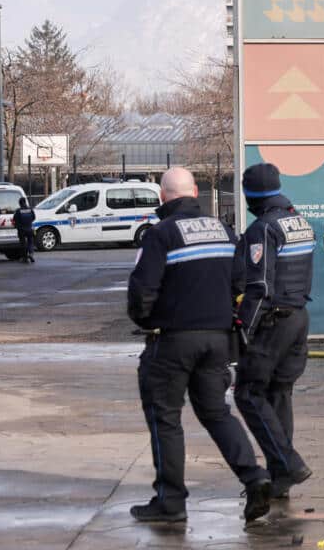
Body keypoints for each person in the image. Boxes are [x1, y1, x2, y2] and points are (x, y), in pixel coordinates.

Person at [127, 167, 271, 523]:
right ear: (195, 192)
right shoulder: (223, 230)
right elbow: (242, 281)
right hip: (218, 340)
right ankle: (255, 477)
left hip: (173, 341)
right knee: (216, 413)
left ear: (163, 197)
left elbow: (142, 292)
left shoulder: (161, 234)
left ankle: (170, 501)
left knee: (166, 418)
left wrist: (148, 322)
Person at [233, 163, 314, 499]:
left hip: (273, 321)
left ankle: (288, 463)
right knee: (280, 393)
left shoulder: (262, 229)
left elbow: (259, 285)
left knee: (248, 393)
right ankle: (281, 477)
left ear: (250, 194)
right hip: (298, 317)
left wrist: (243, 330)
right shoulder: (300, 222)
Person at [13, 197, 36, 263]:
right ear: (25, 202)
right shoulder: (30, 209)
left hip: (21, 229)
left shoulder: (18, 210)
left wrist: (17, 225)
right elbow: (34, 217)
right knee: (30, 242)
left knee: (23, 243)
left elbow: (15, 219)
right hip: (29, 228)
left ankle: (25, 257)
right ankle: (31, 254)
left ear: (20, 203)